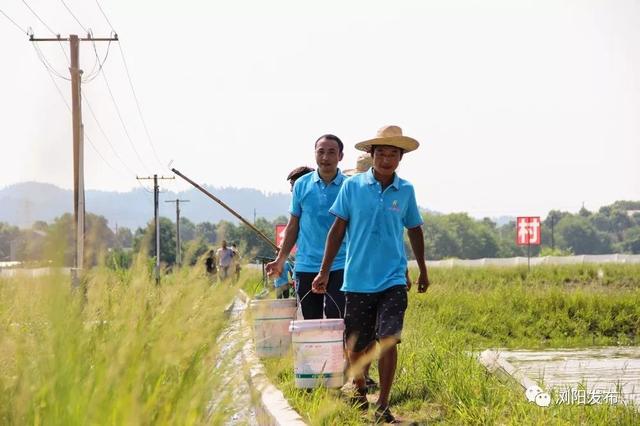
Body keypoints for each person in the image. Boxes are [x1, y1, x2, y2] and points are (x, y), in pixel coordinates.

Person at [312, 125, 430, 423]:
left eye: (393, 154)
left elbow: (414, 229)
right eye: (381, 153)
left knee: (389, 337)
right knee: (358, 342)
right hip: (358, 279)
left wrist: (422, 270)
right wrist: (324, 271)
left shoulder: (406, 191)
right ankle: (360, 387)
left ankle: (384, 404)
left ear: (400, 158)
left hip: (392, 278)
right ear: (371, 155)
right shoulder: (352, 187)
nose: (386, 159)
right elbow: (337, 231)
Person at [266, 134, 348, 320]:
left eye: (331, 152)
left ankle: (339, 350)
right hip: (306, 264)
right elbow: (293, 225)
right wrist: (280, 260)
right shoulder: (302, 185)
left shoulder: (348, 186)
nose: (325, 157)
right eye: (321, 152)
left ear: (340, 156)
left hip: (340, 264)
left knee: (337, 317)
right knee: (312, 321)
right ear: (315, 154)